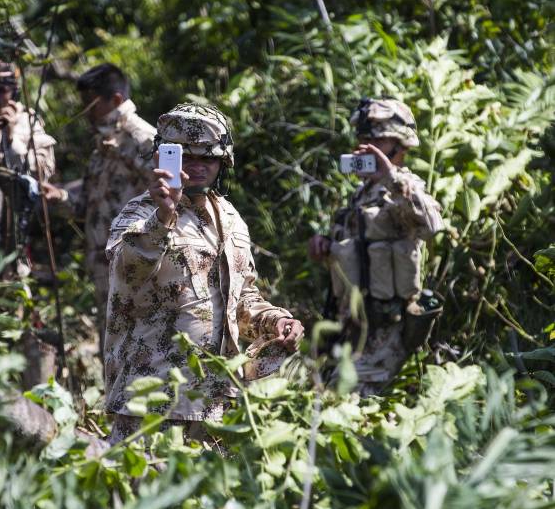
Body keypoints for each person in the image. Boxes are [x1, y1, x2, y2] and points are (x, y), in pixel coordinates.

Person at [103, 103, 304, 444]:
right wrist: (162, 218)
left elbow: (242, 297)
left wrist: (276, 321)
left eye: (207, 158)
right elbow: (127, 273)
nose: (197, 166)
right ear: (164, 157)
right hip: (153, 399)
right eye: (185, 156)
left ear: (223, 162)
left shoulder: (230, 218)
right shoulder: (140, 212)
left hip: (217, 401)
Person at [307, 98, 444, 396]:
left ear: (400, 144)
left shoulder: (404, 186)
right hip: (352, 323)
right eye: (362, 139)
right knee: (321, 393)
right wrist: (328, 246)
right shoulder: (363, 193)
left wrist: (390, 177)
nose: (366, 147)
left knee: (343, 401)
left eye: (377, 141)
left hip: (386, 327)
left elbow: (432, 225)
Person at [41, 63, 155, 358]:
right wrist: (60, 197)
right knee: (112, 346)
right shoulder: (103, 146)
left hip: (137, 265)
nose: (85, 112)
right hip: (105, 266)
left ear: (115, 100)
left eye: (90, 104)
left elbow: (171, 199)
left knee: (141, 347)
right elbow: (91, 207)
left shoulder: (142, 138)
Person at [0, 61, 57, 257]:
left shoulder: (28, 121)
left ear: (13, 92)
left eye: (1, 90)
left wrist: (11, 136)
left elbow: (42, 172)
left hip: (15, 224)